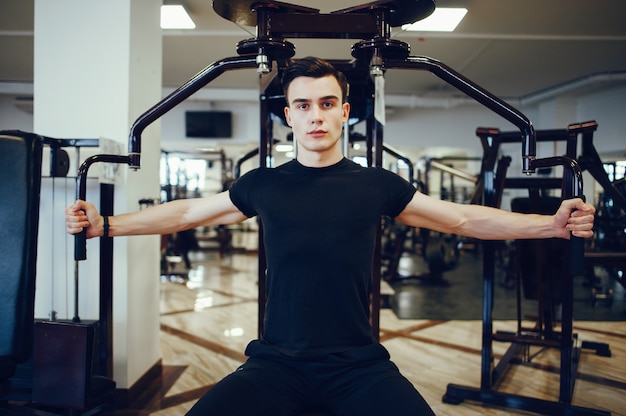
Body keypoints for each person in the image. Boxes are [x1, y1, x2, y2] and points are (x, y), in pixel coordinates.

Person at [65, 57, 596, 415]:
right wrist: (107, 225)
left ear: (345, 112)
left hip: (358, 364)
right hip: (275, 361)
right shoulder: (263, 184)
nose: (315, 115)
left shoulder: (377, 184)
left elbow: (461, 219)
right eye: (303, 105)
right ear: (287, 116)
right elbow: (184, 216)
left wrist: (548, 225)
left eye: (326, 104)